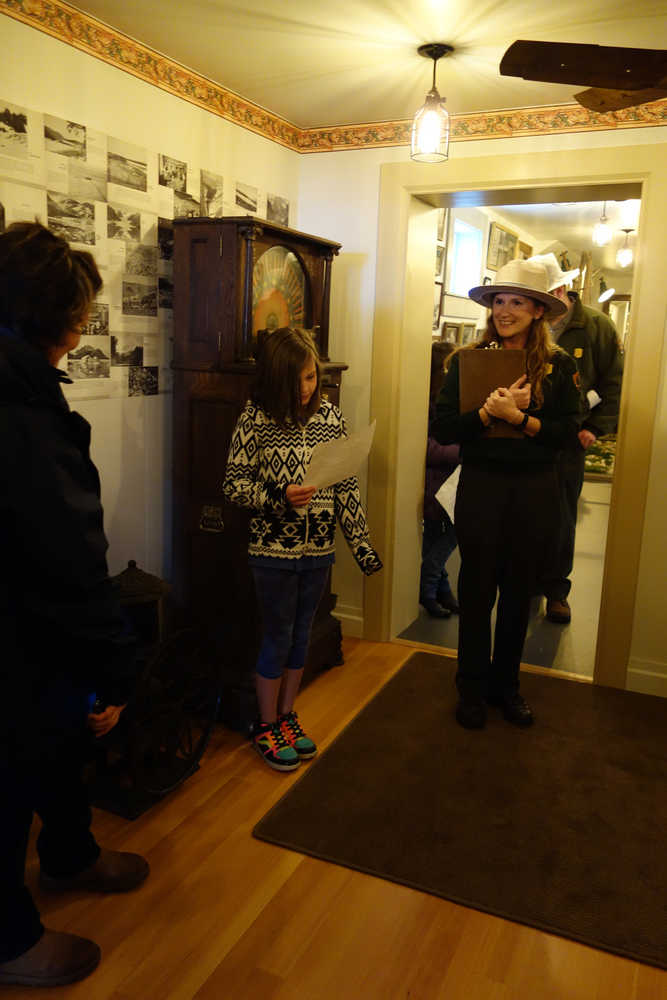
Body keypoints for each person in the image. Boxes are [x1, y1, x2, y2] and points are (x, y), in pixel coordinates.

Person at [0, 222, 148, 988]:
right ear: (61, 320)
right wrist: (116, 664)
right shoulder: (24, 416)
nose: (82, 326)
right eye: (82, 313)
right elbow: (69, 558)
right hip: (21, 638)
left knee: (55, 751)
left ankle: (68, 856)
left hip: (31, 633)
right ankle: (10, 943)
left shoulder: (26, 392)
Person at [223, 327, 382, 771]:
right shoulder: (254, 418)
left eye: (311, 377)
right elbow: (234, 485)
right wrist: (278, 496)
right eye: (295, 380)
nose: (305, 388)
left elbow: (346, 483)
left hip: (319, 550)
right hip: (272, 552)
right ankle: (266, 724)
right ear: (274, 378)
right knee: (276, 637)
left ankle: (287, 716)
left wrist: (362, 546)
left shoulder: (331, 417)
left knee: (300, 637)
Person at [434, 260, 581, 730]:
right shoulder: (465, 362)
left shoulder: (559, 368)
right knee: (476, 593)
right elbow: (442, 428)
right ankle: (471, 689)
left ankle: (506, 687)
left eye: (517, 301)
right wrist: (485, 413)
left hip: (535, 493)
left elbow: (566, 434)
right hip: (481, 490)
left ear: (539, 310)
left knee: (520, 596)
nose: (505, 310)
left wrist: (520, 419)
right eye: (499, 301)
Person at [527, 252, 624, 624]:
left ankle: (555, 591)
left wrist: (594, 427)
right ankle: (528, 582)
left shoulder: (596, 327)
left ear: (562, 289)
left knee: (561, 517)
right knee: (526, 514)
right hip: (526, 436)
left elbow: (614, 384)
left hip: (569, 440)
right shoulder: (528, 324)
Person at [420, 342, 460, 618]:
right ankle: (428, 588)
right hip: (438, 483)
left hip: (453, 481)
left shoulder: (455, 399)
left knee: (438, 539)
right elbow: (427, 448)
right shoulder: (427, 404)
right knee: (442, 539)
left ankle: (440, 591)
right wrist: (464, 452)